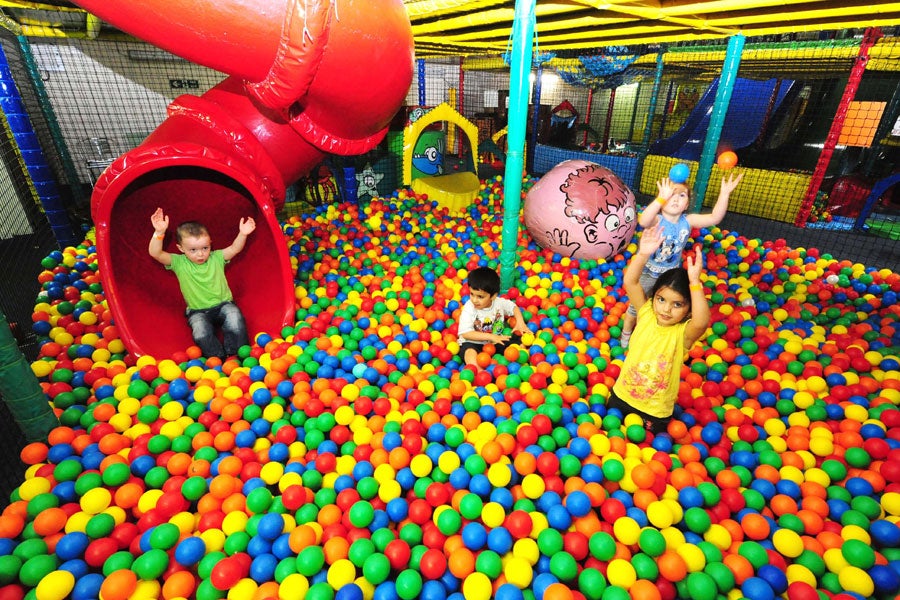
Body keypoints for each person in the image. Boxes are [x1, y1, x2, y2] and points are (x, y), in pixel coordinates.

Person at [608, 224, 710, 434]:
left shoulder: (682, 334)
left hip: (654, 410)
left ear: (688, 310)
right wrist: (643, 254)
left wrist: (695, 283)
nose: (666, 309)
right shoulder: (646, 313)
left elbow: (701, 323)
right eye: (661, 299)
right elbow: (630, 281)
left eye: (677, 304)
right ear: (653, 297)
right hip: (622, 396)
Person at [619, 172, 741, 347]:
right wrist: (661, 198)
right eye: (671, 195)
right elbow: (644, 220)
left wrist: (725, 194)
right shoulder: (657, 219)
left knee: (664, 308)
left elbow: (715, 217)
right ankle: (626, 334)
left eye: (681, 195)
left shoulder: (688, 221)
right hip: (647, 272)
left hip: (670, 276)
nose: (675, 199)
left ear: (687, 204)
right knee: (637, 306)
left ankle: (655, 336)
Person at [148, 208, 256, 360]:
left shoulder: (216, 258)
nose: (200, 254)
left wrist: (243, 234)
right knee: (200, 332)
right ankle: (216, 358)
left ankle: (236, 354)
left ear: (210, 244)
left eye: (205, 248)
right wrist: (159, 232)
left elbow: (234, 248)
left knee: (235, 318)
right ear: (181, 248)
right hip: (197, 311)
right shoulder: (179, 263)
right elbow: (156, 253)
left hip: (224, 304)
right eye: (193, 250)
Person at [456, 267, 529, 370]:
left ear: (493, 296)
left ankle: (518, 367)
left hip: (495, 341)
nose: (474, 300)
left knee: (518, 345)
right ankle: (479, 371)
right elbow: (466, 333)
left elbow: (513, 307)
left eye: (480, 297)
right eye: (472, 294)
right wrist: (491, 337)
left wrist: (520, 322)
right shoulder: (469, 307)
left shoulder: (499, 303)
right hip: (473, 342)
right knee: (469, 352)